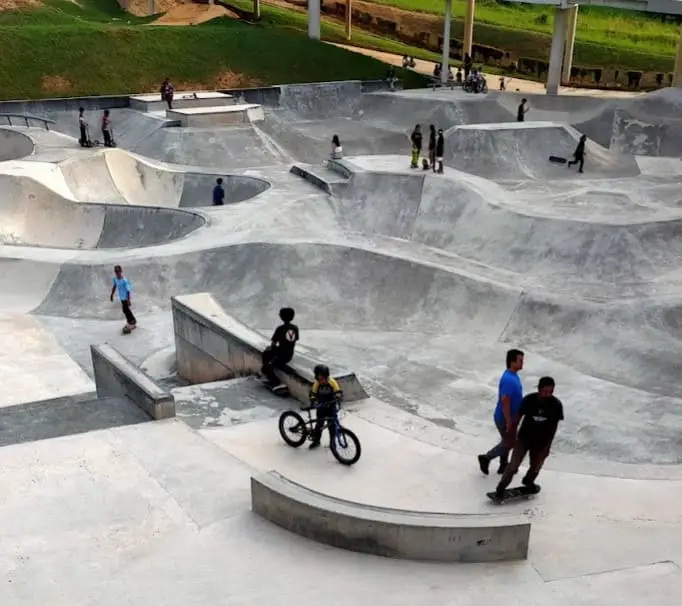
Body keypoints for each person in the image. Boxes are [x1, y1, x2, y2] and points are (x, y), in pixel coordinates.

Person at [493, 377, 564, 501]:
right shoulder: (529, 400)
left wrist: (548, 447)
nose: (548, 395)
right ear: (539, 389)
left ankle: (528, 481)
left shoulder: (556, 405)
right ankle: (501, 488)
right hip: (524, 439)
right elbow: (517, 418)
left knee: (536, 465)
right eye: (545, 391)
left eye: (551, 392)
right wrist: (512, 436)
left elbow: (554, 427)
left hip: (541, 442)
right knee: (513, 466)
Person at [477, 349, 524, 475]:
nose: (522, 363)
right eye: (520, 360)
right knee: (510, 442)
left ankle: (503, 465)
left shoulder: (513, 376)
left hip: (509, 418)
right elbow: (505, 401)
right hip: (504, 418)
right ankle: (486, 458)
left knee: (507, 441)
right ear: (512, 361)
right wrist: (508, 421)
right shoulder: (509, 379)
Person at [261, 307, 299, 388]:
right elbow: (294, 340)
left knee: (265, 367)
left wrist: (271, 350)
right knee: (270, 357)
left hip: (281, 354)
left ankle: (275, 381)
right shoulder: (295, 328)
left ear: (282, 317)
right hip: (290, 354)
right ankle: (280, 365)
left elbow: (274, 343)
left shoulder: (280, 328)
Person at [307, 364, 343, 449]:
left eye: (322, 377)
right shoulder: (317, 384)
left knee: (332, 426)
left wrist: (337, 396)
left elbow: (338, 391)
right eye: (319, 378)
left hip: (331, 406)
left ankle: (332, 442)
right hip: (321, 407)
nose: (321, 380)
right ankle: (316, 440)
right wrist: (313, 400)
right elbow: (313, 393)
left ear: (326, 376)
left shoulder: (332, 382)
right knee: (319, 424)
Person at [110, 265, 136, 330]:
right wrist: (112, 294)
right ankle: (131, 321)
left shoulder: (124, 280)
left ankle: (131, 322)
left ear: (121, 271)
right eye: (116, 271)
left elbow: (128, 290)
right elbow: (114, 286)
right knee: (126, 310)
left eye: (118, 271)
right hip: (121, 298)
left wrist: (128, 300)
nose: (117, 273)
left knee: (125, 309)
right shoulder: (115, 279)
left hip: (126, 298)